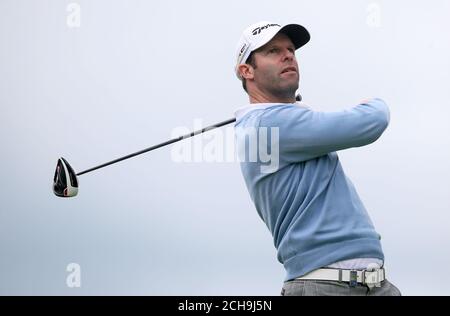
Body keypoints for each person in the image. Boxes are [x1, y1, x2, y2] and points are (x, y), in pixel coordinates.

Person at [233, 21, 401, 296]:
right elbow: (373, 120)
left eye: (290, 49)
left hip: (372, 284)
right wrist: (376, 101)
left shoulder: (269, 123)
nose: (287, 55)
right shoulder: (269, 124)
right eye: (273, 51)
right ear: (246, 71)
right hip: (324, 287)